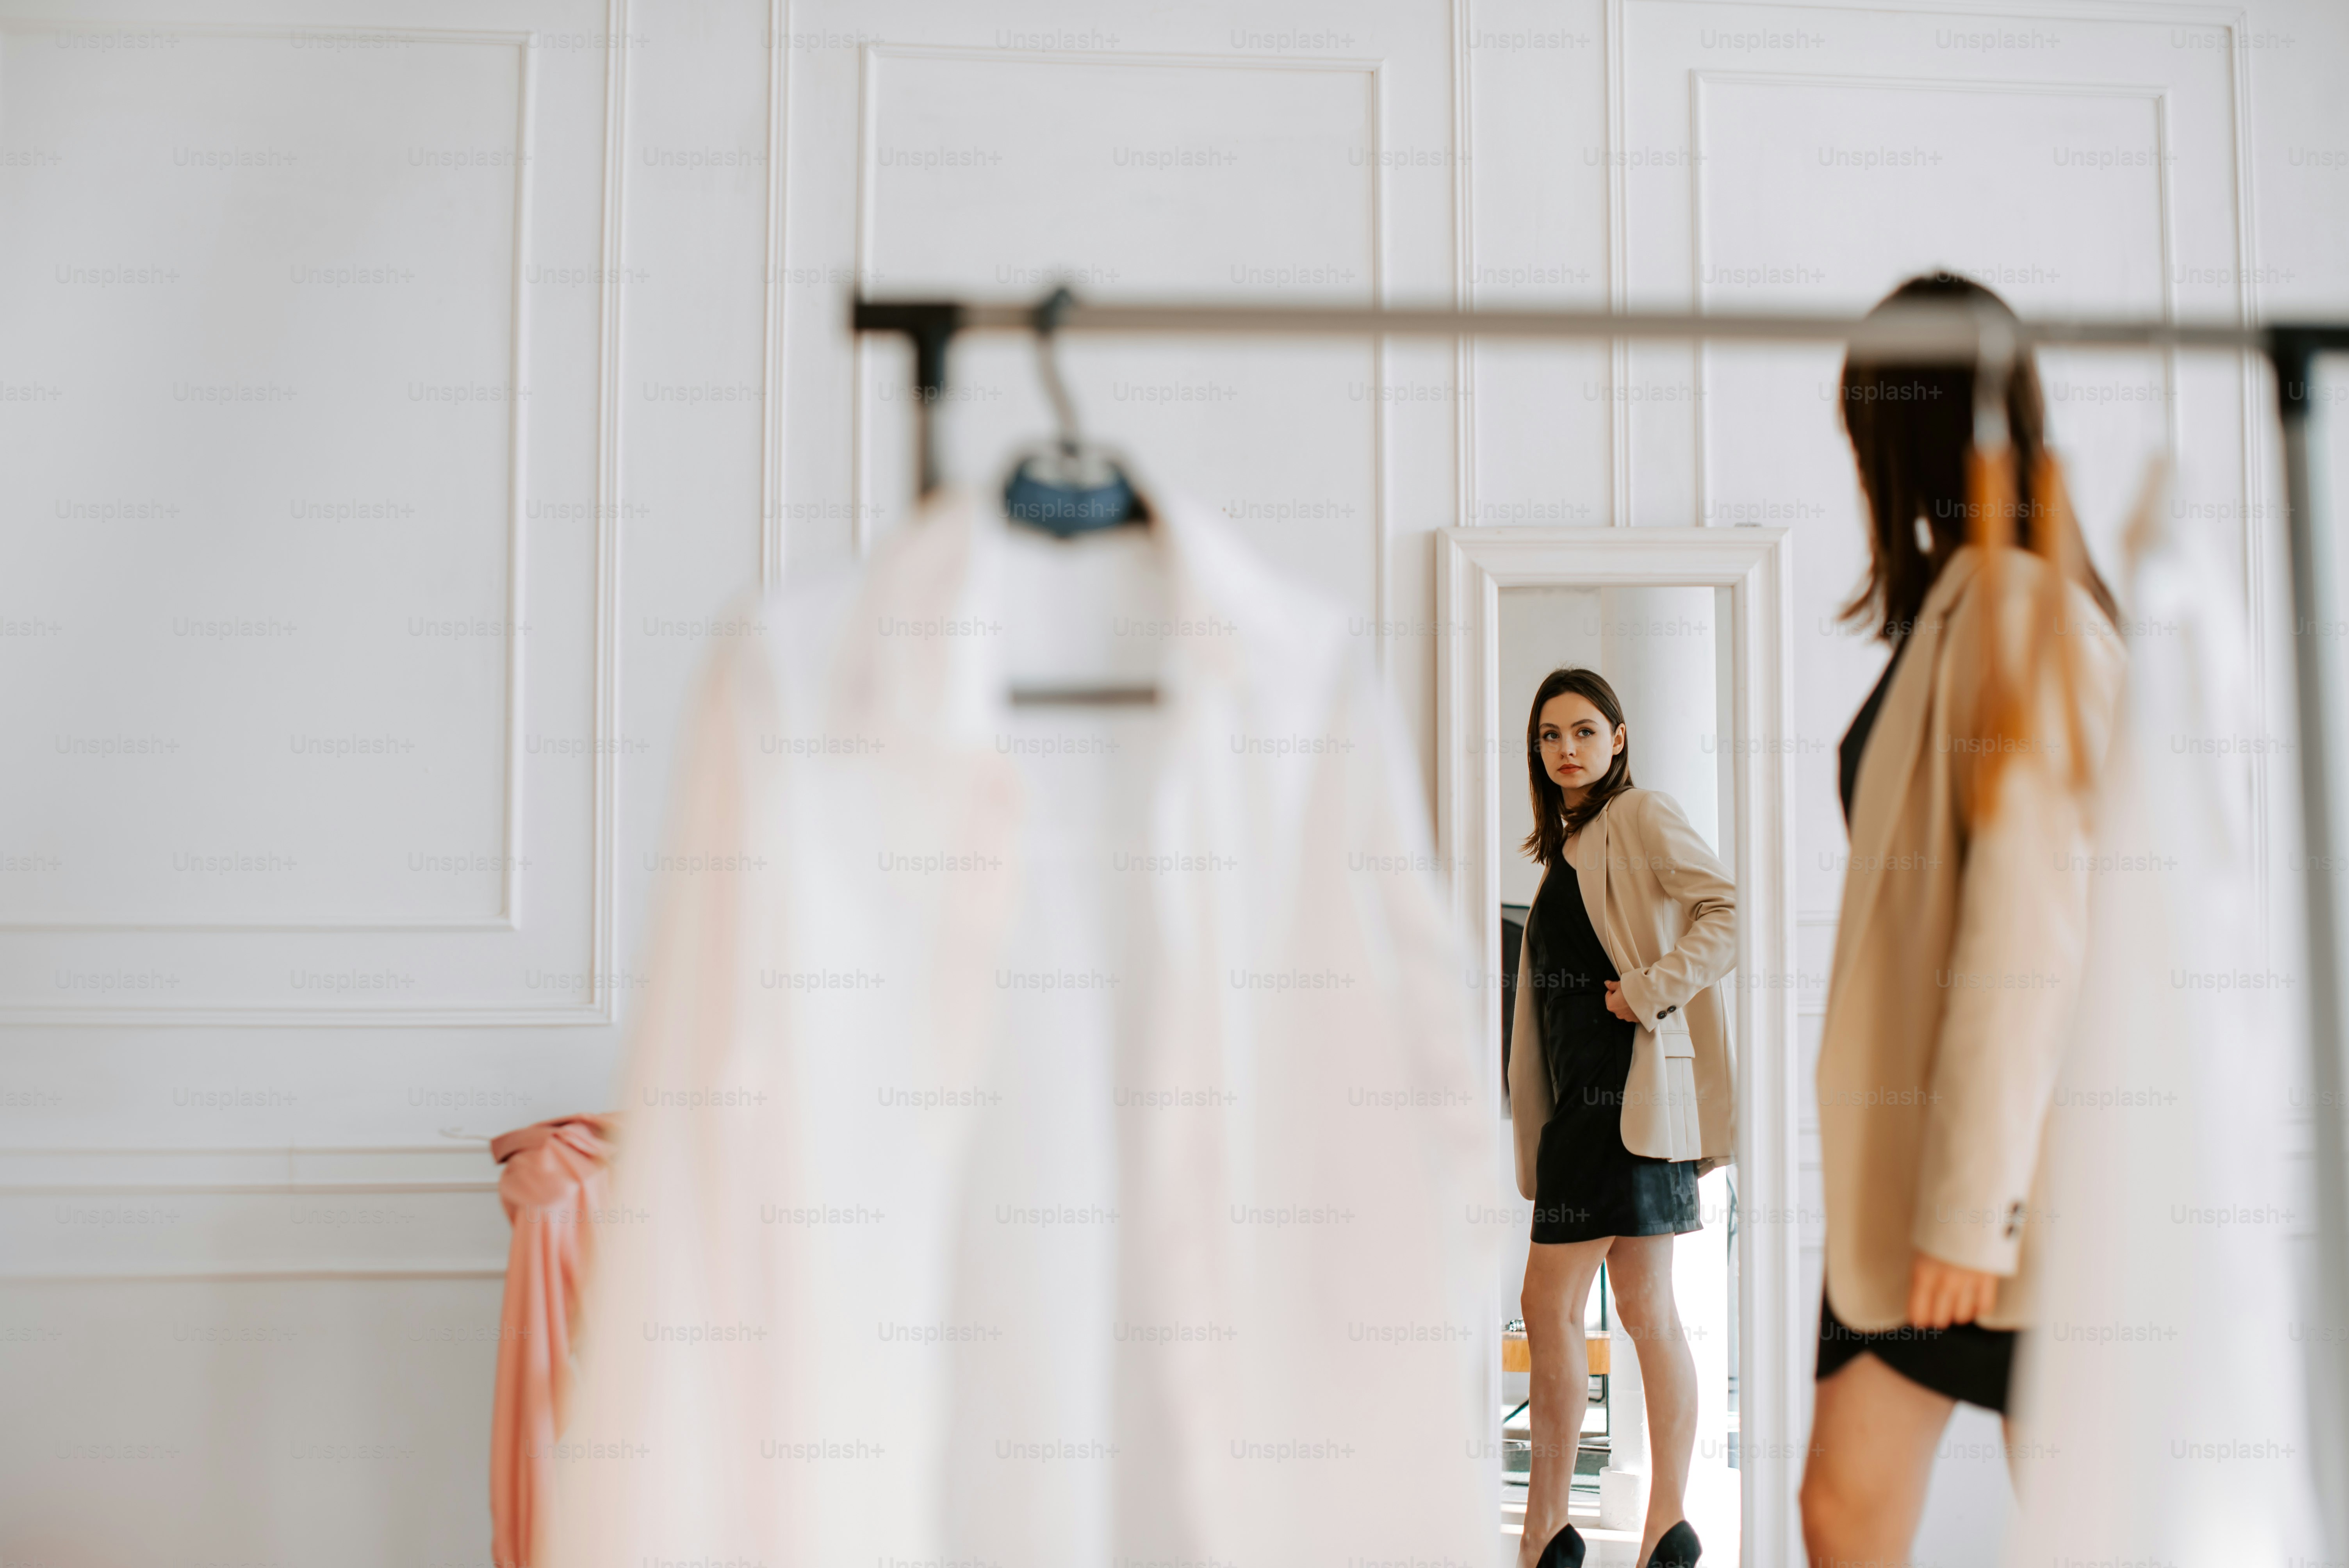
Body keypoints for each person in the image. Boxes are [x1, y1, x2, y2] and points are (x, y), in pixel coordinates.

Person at [1798, 272, 2126, 1565]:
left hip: (2005, 1178)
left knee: (2078, 1525)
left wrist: (1969, 1207)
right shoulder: (1966, 607)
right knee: (1844, 1509)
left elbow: (2027, 917)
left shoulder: (2013, 608)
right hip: (1923, 1171)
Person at [1510, 667, 1736, 1568]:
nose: (1566, 748)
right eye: (1549, 736)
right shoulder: (1566, 847)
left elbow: (1724, 910)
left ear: (1619, 737)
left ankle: (1546, 1531)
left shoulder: (1640, 817)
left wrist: (1647, 989)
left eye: (1581, 731)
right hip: (1595, 1104)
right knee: (1645, 1307)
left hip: (1618, 1100)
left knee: (1548, 1303)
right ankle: (1665, 1533)